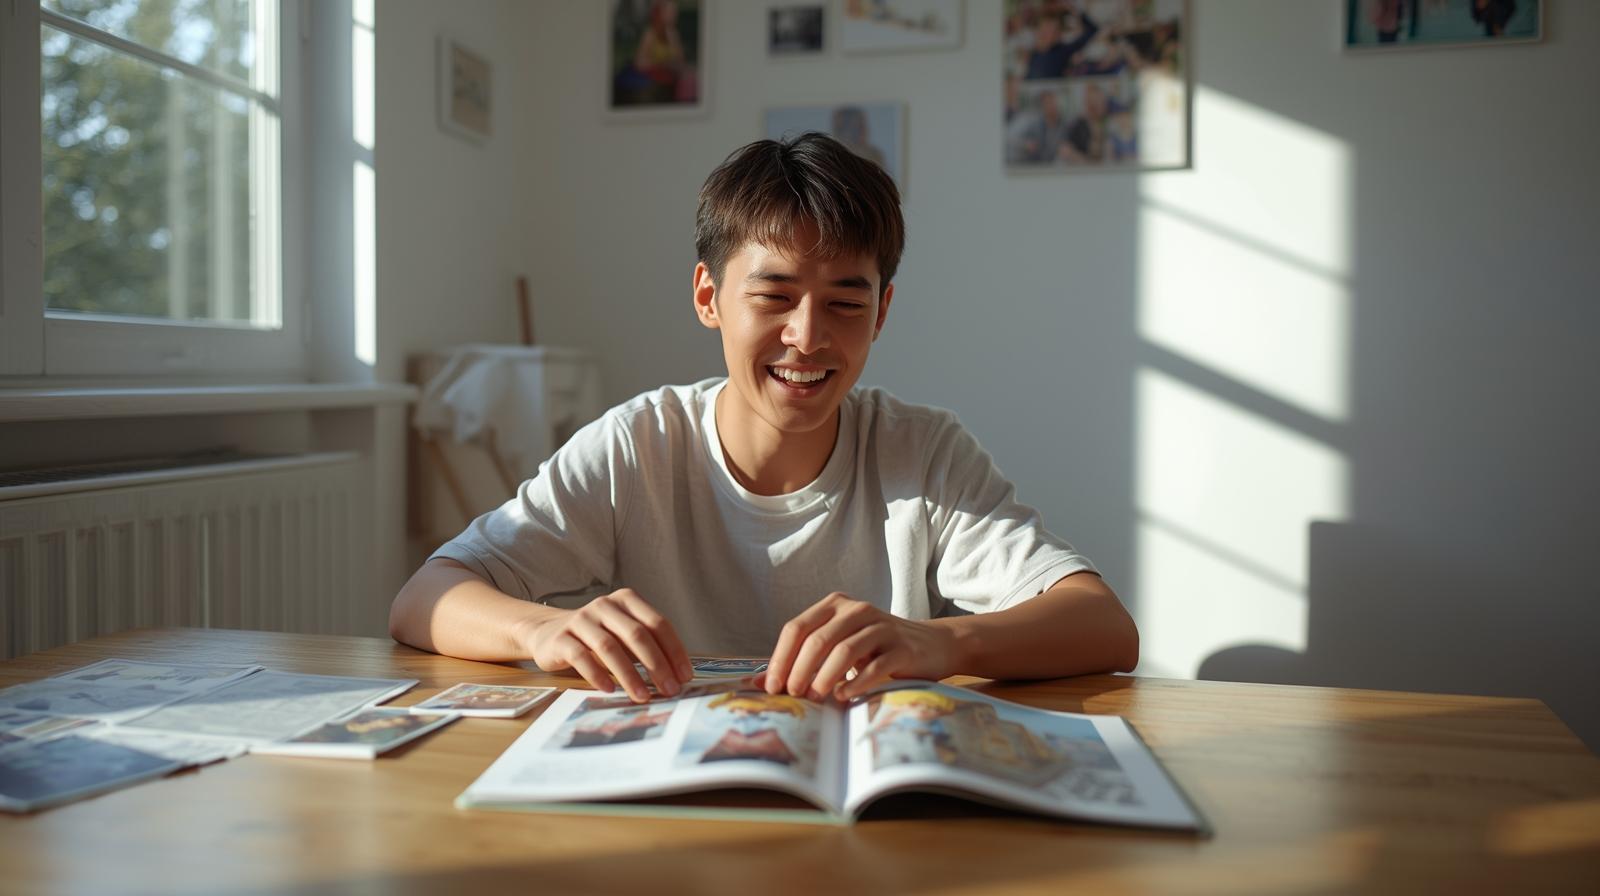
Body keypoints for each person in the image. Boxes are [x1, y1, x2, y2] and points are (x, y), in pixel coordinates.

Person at [389, 133, 1139, 706]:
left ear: (881, 313)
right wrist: (539, 628)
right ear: (708, 297)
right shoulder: (639, 445)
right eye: (773, 296)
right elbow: (424, 597)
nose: (808, 336)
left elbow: (1104, 626)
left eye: (845, 302)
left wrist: (940, 642)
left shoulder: (923, 452)